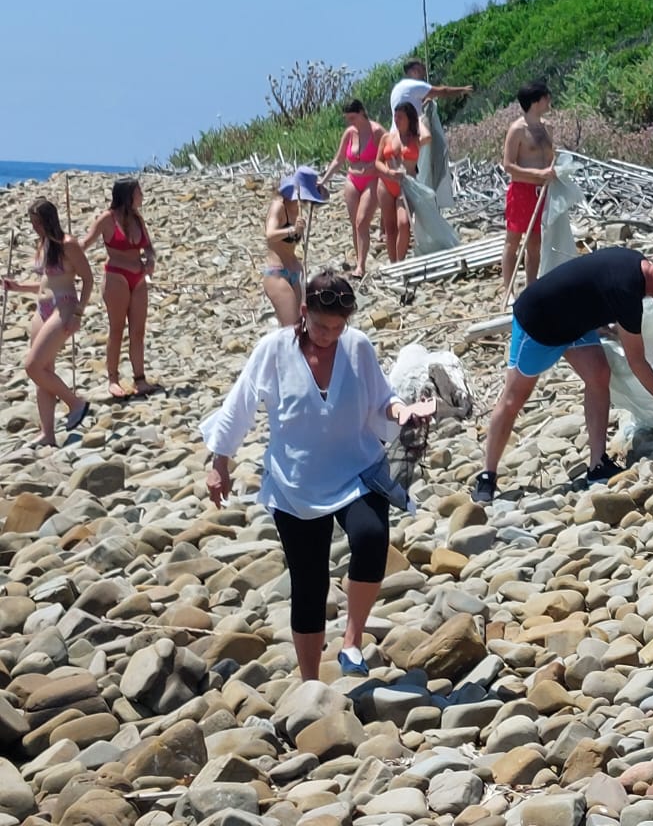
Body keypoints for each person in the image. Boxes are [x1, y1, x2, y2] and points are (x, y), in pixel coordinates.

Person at [200, 271, 434, 681]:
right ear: (305, 312)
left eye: (338, 327)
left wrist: (402, 413)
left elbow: (382, 399)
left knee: (371, 537)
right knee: (309, 582)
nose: (330, 335)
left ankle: (352, 639)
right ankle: (310, 680)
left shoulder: (357, 347)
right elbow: (239, 404)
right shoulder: (273, 350)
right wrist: (219, 462)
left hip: (356, 470)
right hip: (297, 484)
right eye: (323, 325)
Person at [472, 249, 653, 502]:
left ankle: (597, 464)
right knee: (514, 398)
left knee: (599, 375)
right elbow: (637, 362)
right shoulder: (627, 290)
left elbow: (594, 284)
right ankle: (487, 476)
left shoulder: (637, 264)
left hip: (576, 322)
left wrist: (604, 322)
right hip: (539, 321)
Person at [2, 200, 92, 445]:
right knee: (43, 371)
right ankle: (47, 433)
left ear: (50, 219)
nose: (35, 227)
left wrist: (78, 314)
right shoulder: (43, 244)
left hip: (64, 306)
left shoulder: (68, 244)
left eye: (38, 222)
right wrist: (19, 287)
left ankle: (75, 403)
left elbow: (88, 279)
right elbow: (45, 284)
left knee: (33, 366)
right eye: (33, 223)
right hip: (42, 310)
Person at [84, 178, 159, 398]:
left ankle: (140, 379)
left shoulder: (137, 218)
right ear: (127, 195)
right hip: (116, 276)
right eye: (138, 192)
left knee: (138, 331)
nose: (142, 196)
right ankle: (113, 379)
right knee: (116, 329)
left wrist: (151, 261)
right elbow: (86, 243)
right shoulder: (107, 219)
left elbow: (148, 248)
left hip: (138, 277)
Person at [499, 81, 556, 305]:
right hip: (522, 189)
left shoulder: (548, 127)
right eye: (545, 97)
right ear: (535, 101)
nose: (549, 101)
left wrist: (553, 171)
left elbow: (551, 158)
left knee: (535, 242)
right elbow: (508, 165)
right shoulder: (517, 130)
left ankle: (532, 288)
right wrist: (538, 172)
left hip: (542, 191)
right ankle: (508, 290)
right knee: (513, 241)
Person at [320, 100, 379, 279]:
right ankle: (358, 261)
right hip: (353, 178)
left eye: (353, 118)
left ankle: (361, 266)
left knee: (362, 222)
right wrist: (323, 180)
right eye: (348, 119)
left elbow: (388, 156)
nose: (351, 122)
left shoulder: (377, 131)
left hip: (372, 179)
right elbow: (338, 160)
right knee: (355, 223)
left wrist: (375, 166)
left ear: (362, 112)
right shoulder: (349, 133)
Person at [263, 168, 325, 327]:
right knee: (292, 327)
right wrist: (291, 230)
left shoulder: (299, 208)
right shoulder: (279, 206)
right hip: (278, 273)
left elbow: (324, 198)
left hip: (296, 271)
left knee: (303, 324)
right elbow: (270, 234)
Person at [376, 102, 422, 264]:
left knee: (403, 223)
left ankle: (400, 261)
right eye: (395, 116)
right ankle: (394, 262)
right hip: (386, 185)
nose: (397, 120)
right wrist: (388, 172)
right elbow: (378, 162)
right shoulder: (387, 137)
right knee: (390, 227)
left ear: (409, 118)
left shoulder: (416, 138)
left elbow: (428, 136)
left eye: (401, 117)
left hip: (407, 185)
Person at [389, 57, 473, 143]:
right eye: (422, 68)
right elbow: (444, 91)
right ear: (415, 71)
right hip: (410, 137)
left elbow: (410, 105)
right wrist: (463, 90)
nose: (425, 72)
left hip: (394, 137)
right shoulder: (415, 85)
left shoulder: (398, 88)